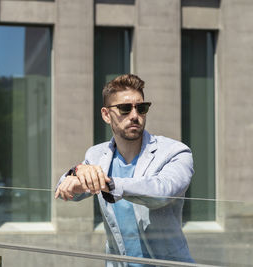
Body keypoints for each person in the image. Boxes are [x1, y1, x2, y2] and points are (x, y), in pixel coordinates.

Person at [55, 74, 195, 266]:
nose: (134, 116)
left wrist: (108, 183)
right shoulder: (96, 155)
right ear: (106, 115)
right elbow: (64, 188)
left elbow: (163, 191)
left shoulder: (175, 151)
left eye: (141, 108)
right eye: (125, 108)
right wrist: (77, 172)